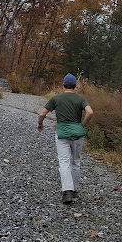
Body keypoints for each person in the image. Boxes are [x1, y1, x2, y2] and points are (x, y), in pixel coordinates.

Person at [37, 73, 94, 204]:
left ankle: (67, 191)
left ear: (63, 85)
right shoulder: (80, 99)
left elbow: (42, 113)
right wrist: (82, 125)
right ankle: (74, 190)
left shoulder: (56, 98)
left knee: (64, 162)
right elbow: (90, 112)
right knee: (76, 161)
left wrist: (40, 124)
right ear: (75, 86)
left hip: (62, 132)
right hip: (77, 134)